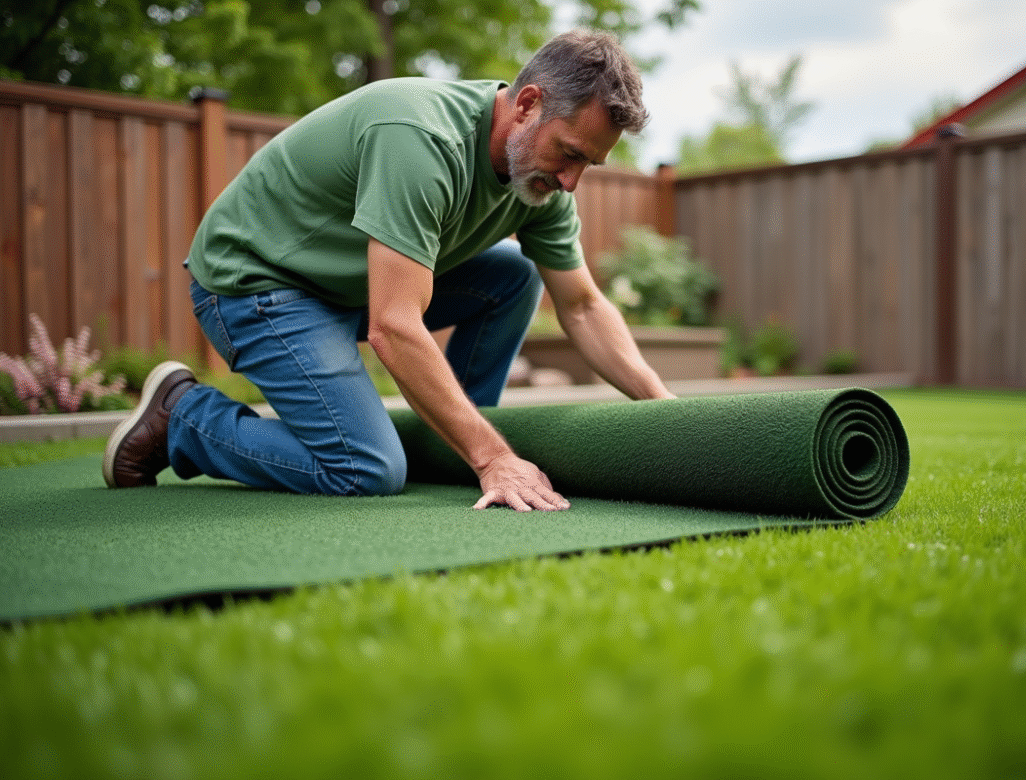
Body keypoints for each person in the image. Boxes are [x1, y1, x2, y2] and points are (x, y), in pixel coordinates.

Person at [103, 29, 675, 512]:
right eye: (570, 153)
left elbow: (580, 305)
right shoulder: (421, 140)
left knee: (513, 277)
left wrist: (664, 412)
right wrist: (497, 458)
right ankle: (184, 415)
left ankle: (455, 441)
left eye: (589, 165)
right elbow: (394, 326)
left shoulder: (542, 187)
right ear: (526, 105)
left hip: (345, 285)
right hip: (256, 283)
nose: (573, 180)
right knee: (365, 468)